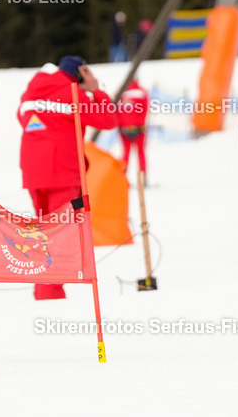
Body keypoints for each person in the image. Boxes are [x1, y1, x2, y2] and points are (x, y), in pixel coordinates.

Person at [18, 56, 117, 300]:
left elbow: (24, 119)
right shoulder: (72, 92)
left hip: (33, 171)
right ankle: (50, 293)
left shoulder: (33, 89)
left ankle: (44, 289)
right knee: (59, 234)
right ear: (80, 73)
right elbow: (108, 120)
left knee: (45, 230)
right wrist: (96, 91)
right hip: (62, 171)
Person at [117, 79, 150, 176]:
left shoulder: (121, 91)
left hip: (124, 129)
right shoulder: (141, 92)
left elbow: (116, 109)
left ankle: (122, 177)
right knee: (140, 152)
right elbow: (144, 110)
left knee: (126, 153)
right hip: (138, 129)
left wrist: (121, 126)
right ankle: (143, 177)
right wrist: (138, 125)